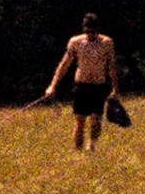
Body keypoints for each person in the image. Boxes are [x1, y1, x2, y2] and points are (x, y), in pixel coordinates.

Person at [35, 12, 120, 152]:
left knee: (96, 120)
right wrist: (52, 86)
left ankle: (91, 145)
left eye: (93, 31)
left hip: (99, 85)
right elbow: (64, 64)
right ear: (84, 29)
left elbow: (112, 66)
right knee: (80, 121)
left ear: (97, 29)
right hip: (82, 85)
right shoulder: (76, 42)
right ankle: (77, 152)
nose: (91, 34)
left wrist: (115, 89)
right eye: (88, 31)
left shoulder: (106, 43)